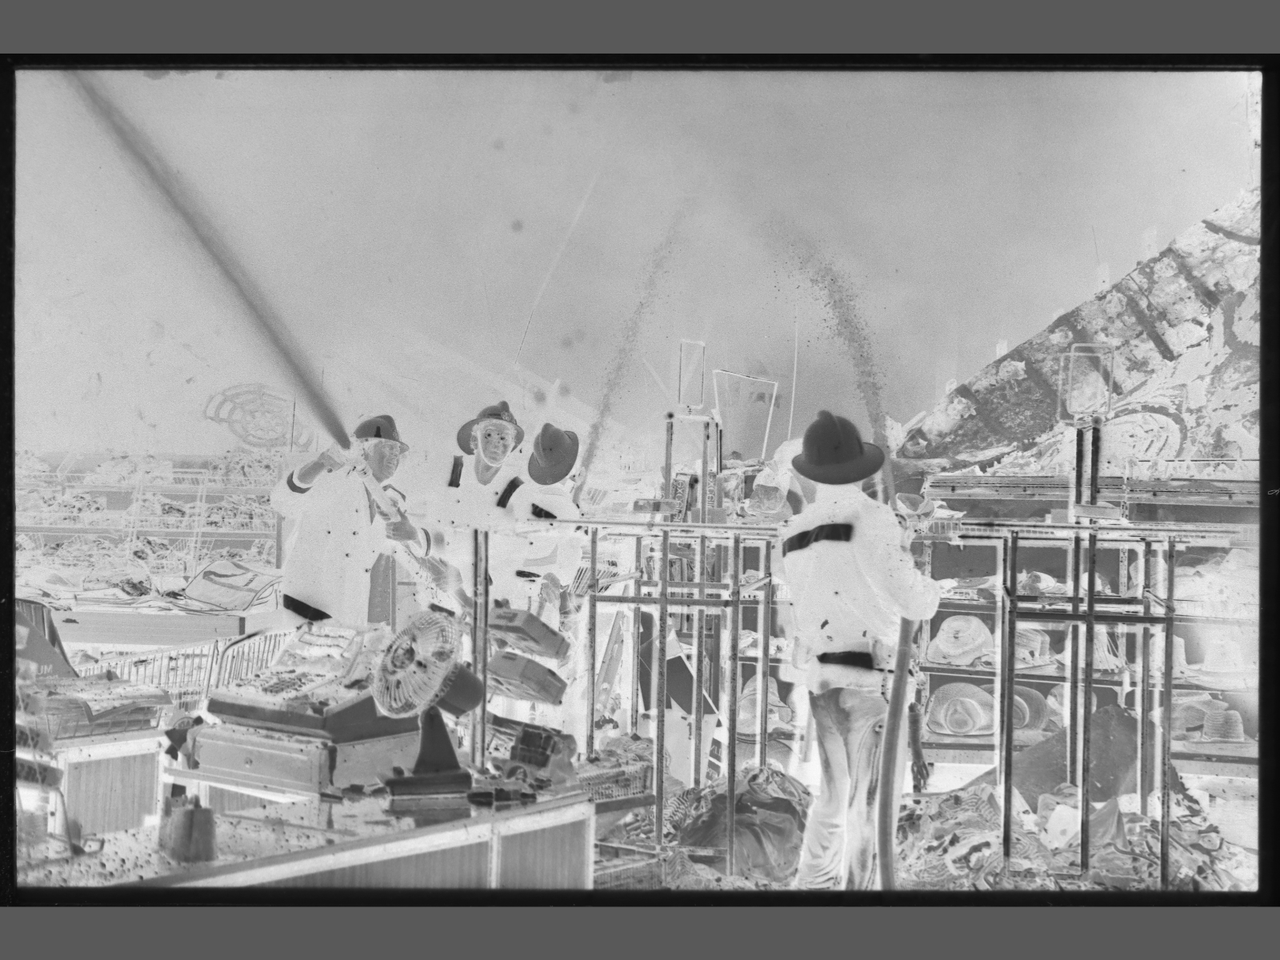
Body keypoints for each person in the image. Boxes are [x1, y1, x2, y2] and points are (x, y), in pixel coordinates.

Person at [779, 410, 949, 890]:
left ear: (812, 471)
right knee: (871, 805)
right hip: (873, 682)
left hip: (823, 679)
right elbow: (914, 601)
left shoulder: (795, 527)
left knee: (833, 799)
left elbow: (818, 586)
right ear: (859, 468)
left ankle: (812, 888)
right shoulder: (873, 519)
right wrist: (925, 576)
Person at [268, 415, 430, 629]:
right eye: (388, 448)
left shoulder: (392, 499)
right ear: (364, 450)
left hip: (353, 605)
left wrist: (413, 535)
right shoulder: (332, 479)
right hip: (309, 602)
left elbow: (400, 546)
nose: (395, 455)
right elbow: (281, 500)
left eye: (397, 450)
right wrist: (320, 463)